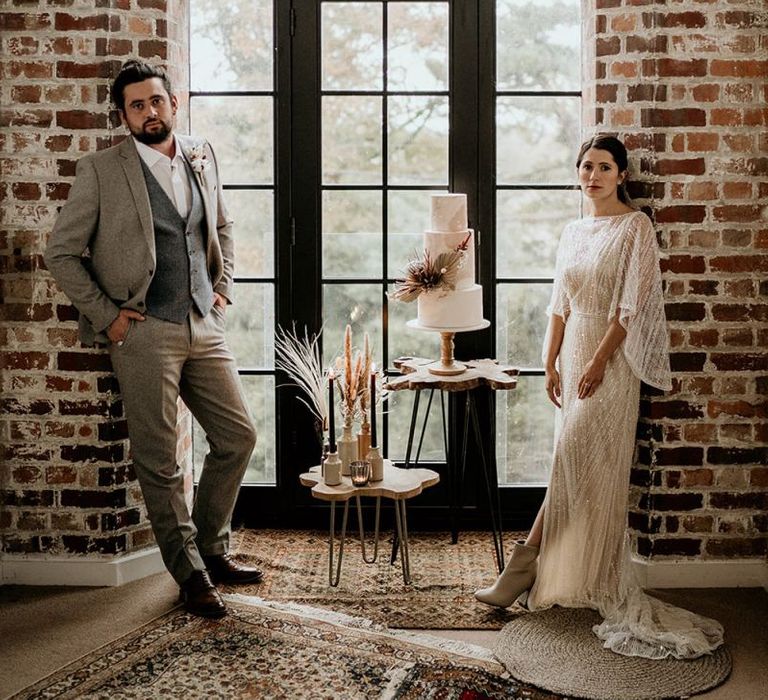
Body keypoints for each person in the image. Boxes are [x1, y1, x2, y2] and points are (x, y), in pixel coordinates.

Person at [475, 134, 724, 659]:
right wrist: (550, 361)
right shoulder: (573, 230)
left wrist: (595, 363)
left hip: (610, 364)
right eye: (586, 167)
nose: (593, 176)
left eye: (604, 167)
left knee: (575, 460)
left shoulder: (635, 227)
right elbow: (559, 305)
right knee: (572, 463)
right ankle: (551, 570)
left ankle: (522, 566)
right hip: (572, 354)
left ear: (622, 175)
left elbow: (629, 309)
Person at [45, 59, 262, 619]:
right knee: (160, 459)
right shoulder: (101, 170)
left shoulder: (201, 153)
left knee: (238, 437)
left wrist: (222, 288)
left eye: (156, 101)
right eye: (136, 105)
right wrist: (108, 316)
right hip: (143, 332)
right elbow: (62, 253)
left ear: (175, 102)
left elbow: (223, 224)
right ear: (123, 115)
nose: (149, 112)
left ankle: (212, 550)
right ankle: (189, 573)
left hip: (202, 323)